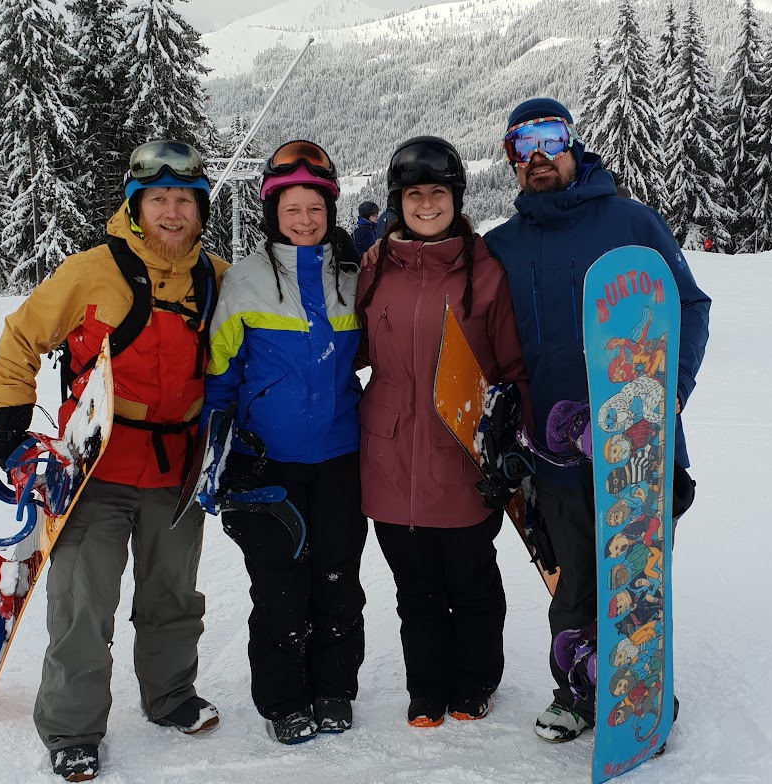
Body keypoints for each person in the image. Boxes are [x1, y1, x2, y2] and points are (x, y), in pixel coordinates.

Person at [0, 141, 229, 782]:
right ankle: (72, 727)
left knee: (173, 594)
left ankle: (170, 696)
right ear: (136, 206)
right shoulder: (91, 272)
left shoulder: (216, 279)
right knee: (83, 602)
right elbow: (22, 335)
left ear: (201, 209)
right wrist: (10, 421)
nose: (172, 212)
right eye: (158, 199)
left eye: (184, 200)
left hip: (178, 469)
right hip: (97, 467)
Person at [484, 98, 711, 745]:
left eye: (549, 139)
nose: (538, 156)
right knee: (574, 579)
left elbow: (688, 307)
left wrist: (671, 392)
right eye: (522, 145)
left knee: (635, 571)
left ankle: (641, 692)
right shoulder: (501, 246)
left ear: (572, 145)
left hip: (636, 441)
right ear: (512, 159)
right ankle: (578, 693)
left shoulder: (631, 223)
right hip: (551, 449)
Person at [356, 136, 530, 728]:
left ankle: (476, 680)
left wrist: (512, 445)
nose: (426, 204)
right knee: (416, 586)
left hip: (461, 453)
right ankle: (427, 687)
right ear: (397, 202)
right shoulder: (376, 268)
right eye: (414, 194)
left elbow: (510, 368)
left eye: (438, 192)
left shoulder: (484, 271)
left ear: (456, 197)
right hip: (388, 456)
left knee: (471, 579)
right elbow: (350, 348)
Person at [201, 140, 366, 745]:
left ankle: (334, 689)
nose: (305, 219)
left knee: (338, 580)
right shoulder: (244, 281)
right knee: (278, 589)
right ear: (273, 212)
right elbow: (220, 377)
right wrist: (215, 458)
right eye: (292, 208)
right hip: (265, 462)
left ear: (331, 211)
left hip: (340, 459)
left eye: (315, 208)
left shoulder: (351, 278)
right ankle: (284, 700)